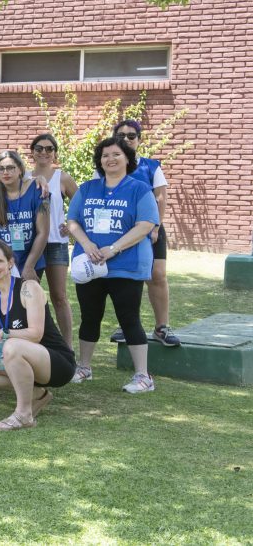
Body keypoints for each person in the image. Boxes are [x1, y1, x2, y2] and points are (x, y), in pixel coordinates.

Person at [66, 136, 160, 393]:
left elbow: (145, 225)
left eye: (116, 154)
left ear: (127, 159)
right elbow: (72, 221)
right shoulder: (87, 189)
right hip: (90, 265)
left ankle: (143, 376)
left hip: (126, 265)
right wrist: (86, 244)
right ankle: (84, 367)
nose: (110, 159)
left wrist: (114, 249)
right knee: (89, 317)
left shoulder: (140, 189)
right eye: (105, 155)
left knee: (129, 318)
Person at [0, 240, 76, 430]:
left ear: (10, 263)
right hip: (20, 356)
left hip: (57, 362)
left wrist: (3, 333)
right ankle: (37, 394)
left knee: (10, 346)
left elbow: (35, 334)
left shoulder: (28, 288)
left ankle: (24, 414)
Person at [108, 120, 180, 347]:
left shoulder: (151, 166)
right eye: (121, 135)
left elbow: (160, 197)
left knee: (157, 275)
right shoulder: (107, 165)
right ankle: (126, 326)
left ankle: (162, 327)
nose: (127, 139)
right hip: (121, 232)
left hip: (151, 230)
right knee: (127, 278)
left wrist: (156, 226)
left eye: (131, 136)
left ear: (139, 140)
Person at [26, 133, 78, 345]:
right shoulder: (24, 177)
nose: (44, 152)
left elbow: (82, 203)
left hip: (56, 243)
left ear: (55, 153)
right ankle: (32, 342)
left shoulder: (62, 178)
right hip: (31, 244)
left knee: (59, 297)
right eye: (39, 148)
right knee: (28, 296)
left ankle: (67, 347)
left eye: (49, 149)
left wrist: (73, 226)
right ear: (32, 153)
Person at [0, 150, 48, 279]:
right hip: (5, 262)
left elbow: (43, 232)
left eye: (10, 168)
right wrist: (3, 262)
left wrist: (29, 266)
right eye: (1, 169)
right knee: (7, 299)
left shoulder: (36, 190)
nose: (5, 172)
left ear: (20, 169)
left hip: (32, 260)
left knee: (30, 298)